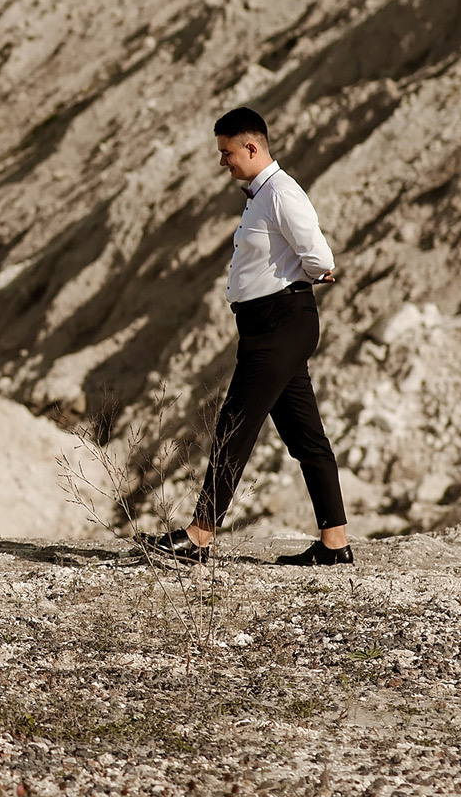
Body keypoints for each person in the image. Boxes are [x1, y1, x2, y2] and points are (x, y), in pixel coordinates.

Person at [142, 108, 352, 568]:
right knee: (306, 437)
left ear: (251, 147)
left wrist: (317, 271)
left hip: (281, 323)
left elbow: (318, 254)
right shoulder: (260, 196)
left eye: (227, 152)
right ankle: (335, 545)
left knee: (234, 425)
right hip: (268, 326)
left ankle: (199, 536)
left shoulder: (281, 192)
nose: (223, 163)